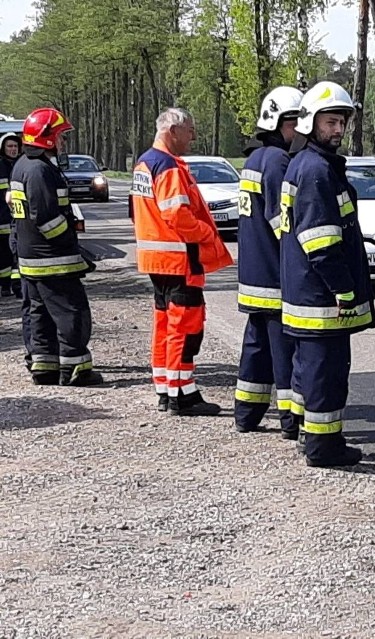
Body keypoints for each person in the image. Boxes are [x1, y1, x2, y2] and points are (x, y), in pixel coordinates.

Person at [280, 81, 375, 467]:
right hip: (321, 301)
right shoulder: (317, 170)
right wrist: (343, 289)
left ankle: (310, 434)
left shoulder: (306, 165)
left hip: (306, 294)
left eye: (342, 123)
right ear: (310, 122)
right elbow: (320, 242)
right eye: (331, 122)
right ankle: (324, 447)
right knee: (327, 374)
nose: (338, 130)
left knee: (310, 371)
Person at [130, 107, 233, 416]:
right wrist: (205, 232)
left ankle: (165, 388)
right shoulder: (168, 167)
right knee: (186, 327)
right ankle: (181, 394)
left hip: (156, 260)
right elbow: (177, 214)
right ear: (172, 132)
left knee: (165, 324)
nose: (193, 137)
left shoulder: (144, 164)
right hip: (179, 259)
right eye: (189, 130)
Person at [9, 108, 102, 386]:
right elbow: (47, 219)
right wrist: (72, 246)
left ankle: (44, 367)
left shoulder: (23, 165)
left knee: (40, 315)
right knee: (71, 313)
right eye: (60, 136)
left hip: (32, 259)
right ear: (46, 138)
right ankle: (76, 369)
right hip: (54, 260)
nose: (63, 142)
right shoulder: (38, 170)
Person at [234, 86, 304, 436]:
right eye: (296, 122)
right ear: (278, 124)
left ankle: (246, 413)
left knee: (256, 347)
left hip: (252, 275)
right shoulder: (278, 162)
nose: (301, 129)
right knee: (284, 353)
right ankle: (292, 421)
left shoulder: (253, 159)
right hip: (275, 279)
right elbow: (283, 225)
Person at [0, 132, 20, 297]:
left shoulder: (21, 165)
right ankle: (5, 286)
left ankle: (16, 286)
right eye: (9, 146)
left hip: (19, 219)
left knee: (16, 255)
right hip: (2, 219)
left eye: (15, 146)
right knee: (4, 255)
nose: (13, 149)